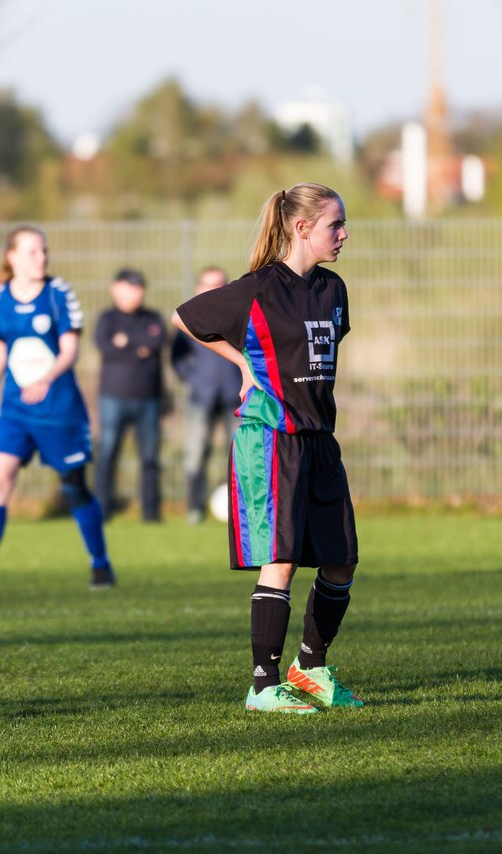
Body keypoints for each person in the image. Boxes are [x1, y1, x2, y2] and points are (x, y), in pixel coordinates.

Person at [171, 182, 363, 714]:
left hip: (320, 438)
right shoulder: (257, 289)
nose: (344, 234)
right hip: (271, 436)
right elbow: (184, 317)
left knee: (341, 561)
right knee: (279, 561)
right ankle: (262, 687)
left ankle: (310, 671)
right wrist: (243, 365)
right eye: (335, 225)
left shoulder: (334, 289)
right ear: (302, 228)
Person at [0, 225, 112, 591]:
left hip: (59, 410)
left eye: (43, 251)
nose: (41, 258)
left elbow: (69, 349)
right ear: (12, 257)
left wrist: (46, 378)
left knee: (74, 488)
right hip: (14, 411)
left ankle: (100, 564)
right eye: (32, 252)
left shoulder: (58, 295)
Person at [94, 268, 167, 523]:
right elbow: (105, 346)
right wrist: (141, 345)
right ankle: (102, 509)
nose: (135, 294)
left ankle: (151, 512)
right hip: (113, 398)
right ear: (116, 289)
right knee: (107, 454)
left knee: (149, 458)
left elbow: (158, 342)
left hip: (149, 399)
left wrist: (126, 342)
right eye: (129, 288)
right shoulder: (107, 319)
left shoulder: (153, 317)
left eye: (139, 289)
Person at [171, 266, 242, 524]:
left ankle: (240, 509)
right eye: (208, 284)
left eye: (219, 284)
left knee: (238, 454)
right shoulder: (189, 317)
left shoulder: (237, 317)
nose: (213, 289)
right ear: (198, 287)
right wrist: (193, 380)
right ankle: (194, 508)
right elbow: (176, 358)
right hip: (201, 398)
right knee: (195, 454)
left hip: (235, 397)